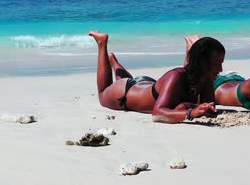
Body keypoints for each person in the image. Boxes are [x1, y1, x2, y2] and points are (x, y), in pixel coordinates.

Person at [89, 31, 224, 123]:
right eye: (216, 64)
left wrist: (203, 109)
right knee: (102, 94)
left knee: (126, 82)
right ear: (203, 63)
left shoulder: (205, 77)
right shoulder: (175, 76)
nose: (221, 69)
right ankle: (102, 43)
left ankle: (115, 63)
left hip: (145, 85)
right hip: (125, 92)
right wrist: (190, 113)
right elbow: (158, 113)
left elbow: (209, 109)